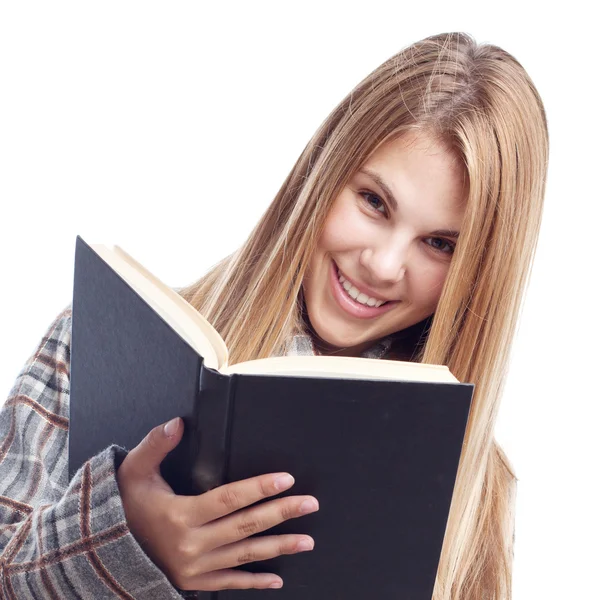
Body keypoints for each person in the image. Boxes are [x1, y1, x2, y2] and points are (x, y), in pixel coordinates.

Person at [0, 31, 548, 599]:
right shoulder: (94, 343)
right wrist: (125, 542)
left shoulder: (477, 490)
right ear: (323, 175)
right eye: (374, 202)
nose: (383, 265)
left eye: (439, 244)